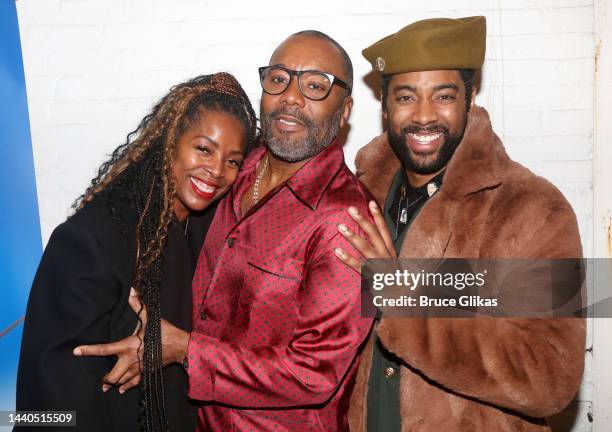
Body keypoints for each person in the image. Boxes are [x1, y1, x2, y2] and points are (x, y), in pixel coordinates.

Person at [78, 30, 374, 432]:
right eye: (278, 78)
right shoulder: (234, 167)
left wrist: (184, 350)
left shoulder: (345, 222)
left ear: (344, 111)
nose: (290, 95)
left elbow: (313, 375)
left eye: (316, 86)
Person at [333, 16, 586, 431]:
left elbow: (551, 376)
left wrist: (406, 301)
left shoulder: (534, 208)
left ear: (470, 101)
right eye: (406, 97)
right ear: (384, 107)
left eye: (444, 96)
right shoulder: (360, 197)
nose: (424, 116)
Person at [16, 72, 258, 432]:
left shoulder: (210, 232)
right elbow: (49, 393)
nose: (217, 170)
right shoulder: (95, 235)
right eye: (204, 149)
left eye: (233, 161)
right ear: (169, 141)